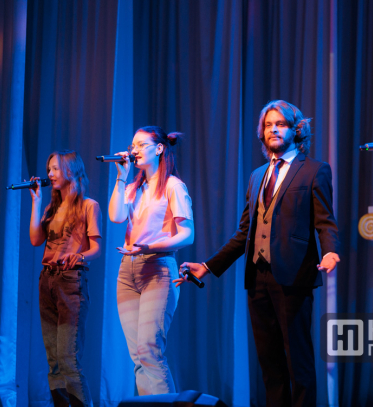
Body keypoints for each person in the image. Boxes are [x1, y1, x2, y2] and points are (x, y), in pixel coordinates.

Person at [174, 100, 340, 407]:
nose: (273, 129)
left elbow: (325, 221)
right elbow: (244, 234)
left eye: (281, 124)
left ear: (296, 129)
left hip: (294, 276)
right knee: (269, 362)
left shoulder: (314, 171)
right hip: (258, 278)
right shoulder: (257, 175)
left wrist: (330, 252)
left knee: (299, 362)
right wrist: (207, 266)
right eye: (268, 125)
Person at [108, 126, 194, 395]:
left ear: (159, 149)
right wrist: (121, 177)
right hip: (128, 272)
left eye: (141, 145)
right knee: (137, 355)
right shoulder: (133, 187)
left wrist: (150, 246)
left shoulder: (173, 186)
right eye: (132, 145)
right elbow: (116, 217)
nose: (134, 150)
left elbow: (187, 235)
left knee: (149, 350)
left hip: (158, 269)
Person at [29, 150, 102, 407]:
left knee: (68, 357)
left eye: (55, 169)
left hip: (71, 282)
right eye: (49, 169)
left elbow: (96, 249)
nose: (50, 174)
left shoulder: (89, 206)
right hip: (47, 281)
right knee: (54, 361)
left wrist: (79, 256)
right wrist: (36, 202)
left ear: (70, 171)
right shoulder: (52, 208)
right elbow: (36, 240)